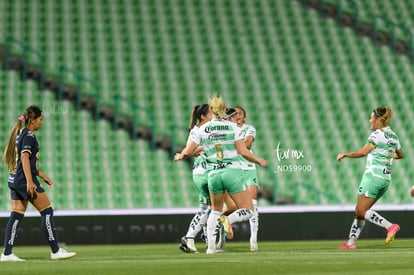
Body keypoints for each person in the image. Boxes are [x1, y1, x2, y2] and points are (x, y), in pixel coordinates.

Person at [175, 95, 267, 254]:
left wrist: (181, 155)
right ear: (224, 110)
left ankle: (211, 248)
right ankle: (228, 220)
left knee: (215, 210)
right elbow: (243, 151)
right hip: (232, 172)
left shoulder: (202, 129)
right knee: (248, 210)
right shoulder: (233, 128)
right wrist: (258, 160)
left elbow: (189, 150)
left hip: (213, 174)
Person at [1, 105, 76, 261]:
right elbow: (24, 158)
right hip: (24, 180)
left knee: (15, 216)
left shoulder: (20, 132)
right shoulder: (29, 135)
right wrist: (30, 181)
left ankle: (7, 253)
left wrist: (42, 175)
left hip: (14, 178)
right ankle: (55, 251)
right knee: (47, 211)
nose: (42, 122)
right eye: (40, 119)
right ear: (32, 120)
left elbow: (25, 161)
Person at [336, 107, 404, 250]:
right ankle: (350, 243)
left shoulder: (376, 135)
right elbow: (401, 154)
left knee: (361, 211)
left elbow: (363, 152)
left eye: (371, 117)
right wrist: (386, 155)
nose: (370, 120)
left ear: (378, 120)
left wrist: (345, 154)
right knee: (360, 211)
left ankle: (390, 226)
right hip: (385, 180)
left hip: (373, 177)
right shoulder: (393, 136)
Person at [177, 104, 212, 253]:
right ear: (203, 116)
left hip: (203, 171)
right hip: (203, 171)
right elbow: (190, 151)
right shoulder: (198, 131)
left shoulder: (201, 130)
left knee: (208, 207)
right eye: (211, 113)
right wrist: (207, 146)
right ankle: (189, 237)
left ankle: (205, 236)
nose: (214, 116)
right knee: (210, 208)